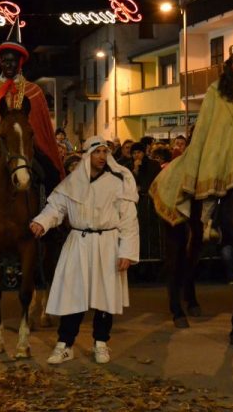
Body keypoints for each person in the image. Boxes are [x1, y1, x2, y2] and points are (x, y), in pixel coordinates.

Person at [29, 136, 139, 365]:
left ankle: (101, 342)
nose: (102, 156)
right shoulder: (71, 183)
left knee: (104, 295)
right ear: (87, 155)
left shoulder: (116, 184)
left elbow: (129, 220)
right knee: (73, 293)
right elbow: (55, 208)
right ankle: (65, 344)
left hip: (107, 243)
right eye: (97, 152)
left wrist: (126, 252)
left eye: (105, 152)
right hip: (78, 243)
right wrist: (42, 222)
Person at [150, 44, 233, 229]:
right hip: (221, 146)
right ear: (230, 65)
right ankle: (208, 220)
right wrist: (227, 134)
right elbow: (205, 124)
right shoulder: (216, 90)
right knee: (215, 163)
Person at [0, 39, 64, 240]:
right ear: (0, 63)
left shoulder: (33, 91)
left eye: (13, 61)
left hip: (26, 145)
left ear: (20, 63)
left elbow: (40, 126)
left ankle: (51, 226)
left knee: (51, 173)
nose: (9, 65)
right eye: (5, 61)